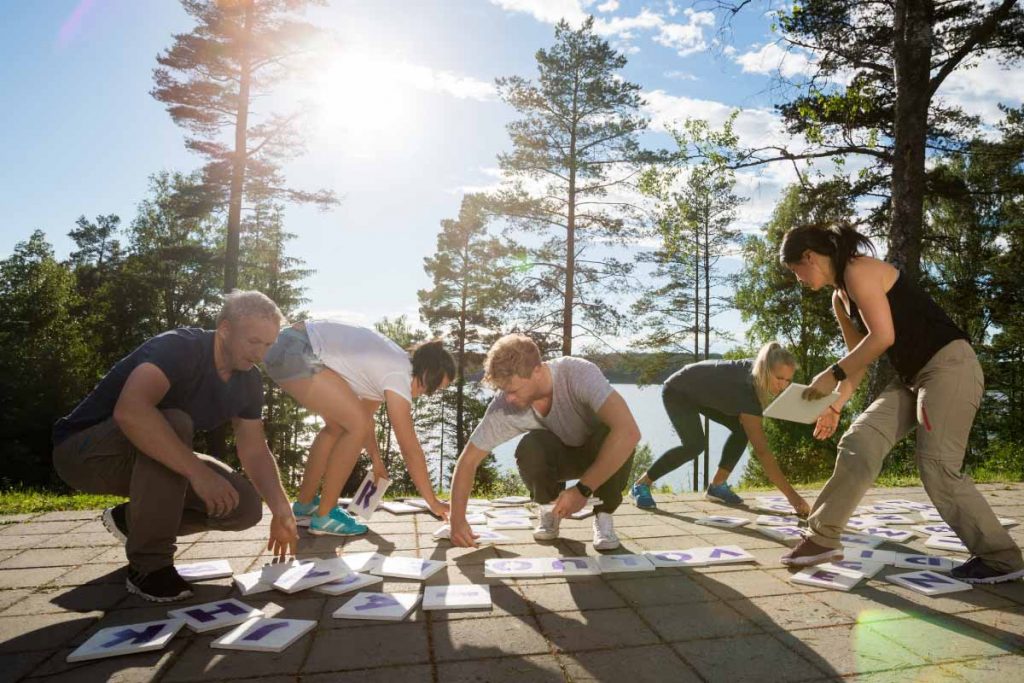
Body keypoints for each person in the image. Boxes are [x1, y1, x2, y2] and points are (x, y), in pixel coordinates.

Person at [778, 222, 1024, 583]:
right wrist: (834, 405)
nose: (797, 278)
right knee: (859, 442)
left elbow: (882, 337)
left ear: (809, 257)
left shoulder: (859, 270)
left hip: (948, 367)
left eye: (795, 270)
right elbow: (857, 360)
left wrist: (830, 375)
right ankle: (822, 538)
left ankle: (1002, 558)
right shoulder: (839, 298)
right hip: (911, 380)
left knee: (937, 465)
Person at [52, 291, 299, 602]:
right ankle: (150, 566)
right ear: (224, 329)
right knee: (174, 422)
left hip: (151, 458)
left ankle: (131, 521)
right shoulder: (179, 347)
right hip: (84, 453)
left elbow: (254, 449)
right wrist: (198, 472)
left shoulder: (248, 381)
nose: (260, 354)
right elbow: (132, 410)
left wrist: (281, 509)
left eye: (268, 344)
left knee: (244, 508)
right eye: (253, 342)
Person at [446, 334, 641, 551]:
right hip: (563, 458)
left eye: (513, 390)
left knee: (614, 433)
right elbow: (468, 461)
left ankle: (603, 517)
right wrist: (457, 520)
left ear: (537, 370)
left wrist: (582, 490)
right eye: (503, 390)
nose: (508, 398)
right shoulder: (505, 405)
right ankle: (549, 511)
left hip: (599, 454)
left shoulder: (577, 373)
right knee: (531, 446)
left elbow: (629, 432)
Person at [263, 319, 455, 536]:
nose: (430, 394)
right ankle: (324, 516)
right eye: (435, 387)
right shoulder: (398, 375)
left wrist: (377, 462)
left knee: (338, 426)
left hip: (287, 346)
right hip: (295, 349)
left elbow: (364, 419)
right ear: (427, 373)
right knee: (351, 425)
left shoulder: (391, 370)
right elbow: (410, 449)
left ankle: (304, 505)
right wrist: (432, 501)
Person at [630, 343, 811, 515]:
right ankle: (641, 485)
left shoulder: (757, 376)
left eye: (788, 380)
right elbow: (762, 452)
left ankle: (717, 486)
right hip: (678, 391)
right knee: (694, 445)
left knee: (742, 430)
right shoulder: (747, 390)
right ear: (765, 370)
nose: (784, 385)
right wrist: (793, 498)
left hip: (701, 392)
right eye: (779, 378)